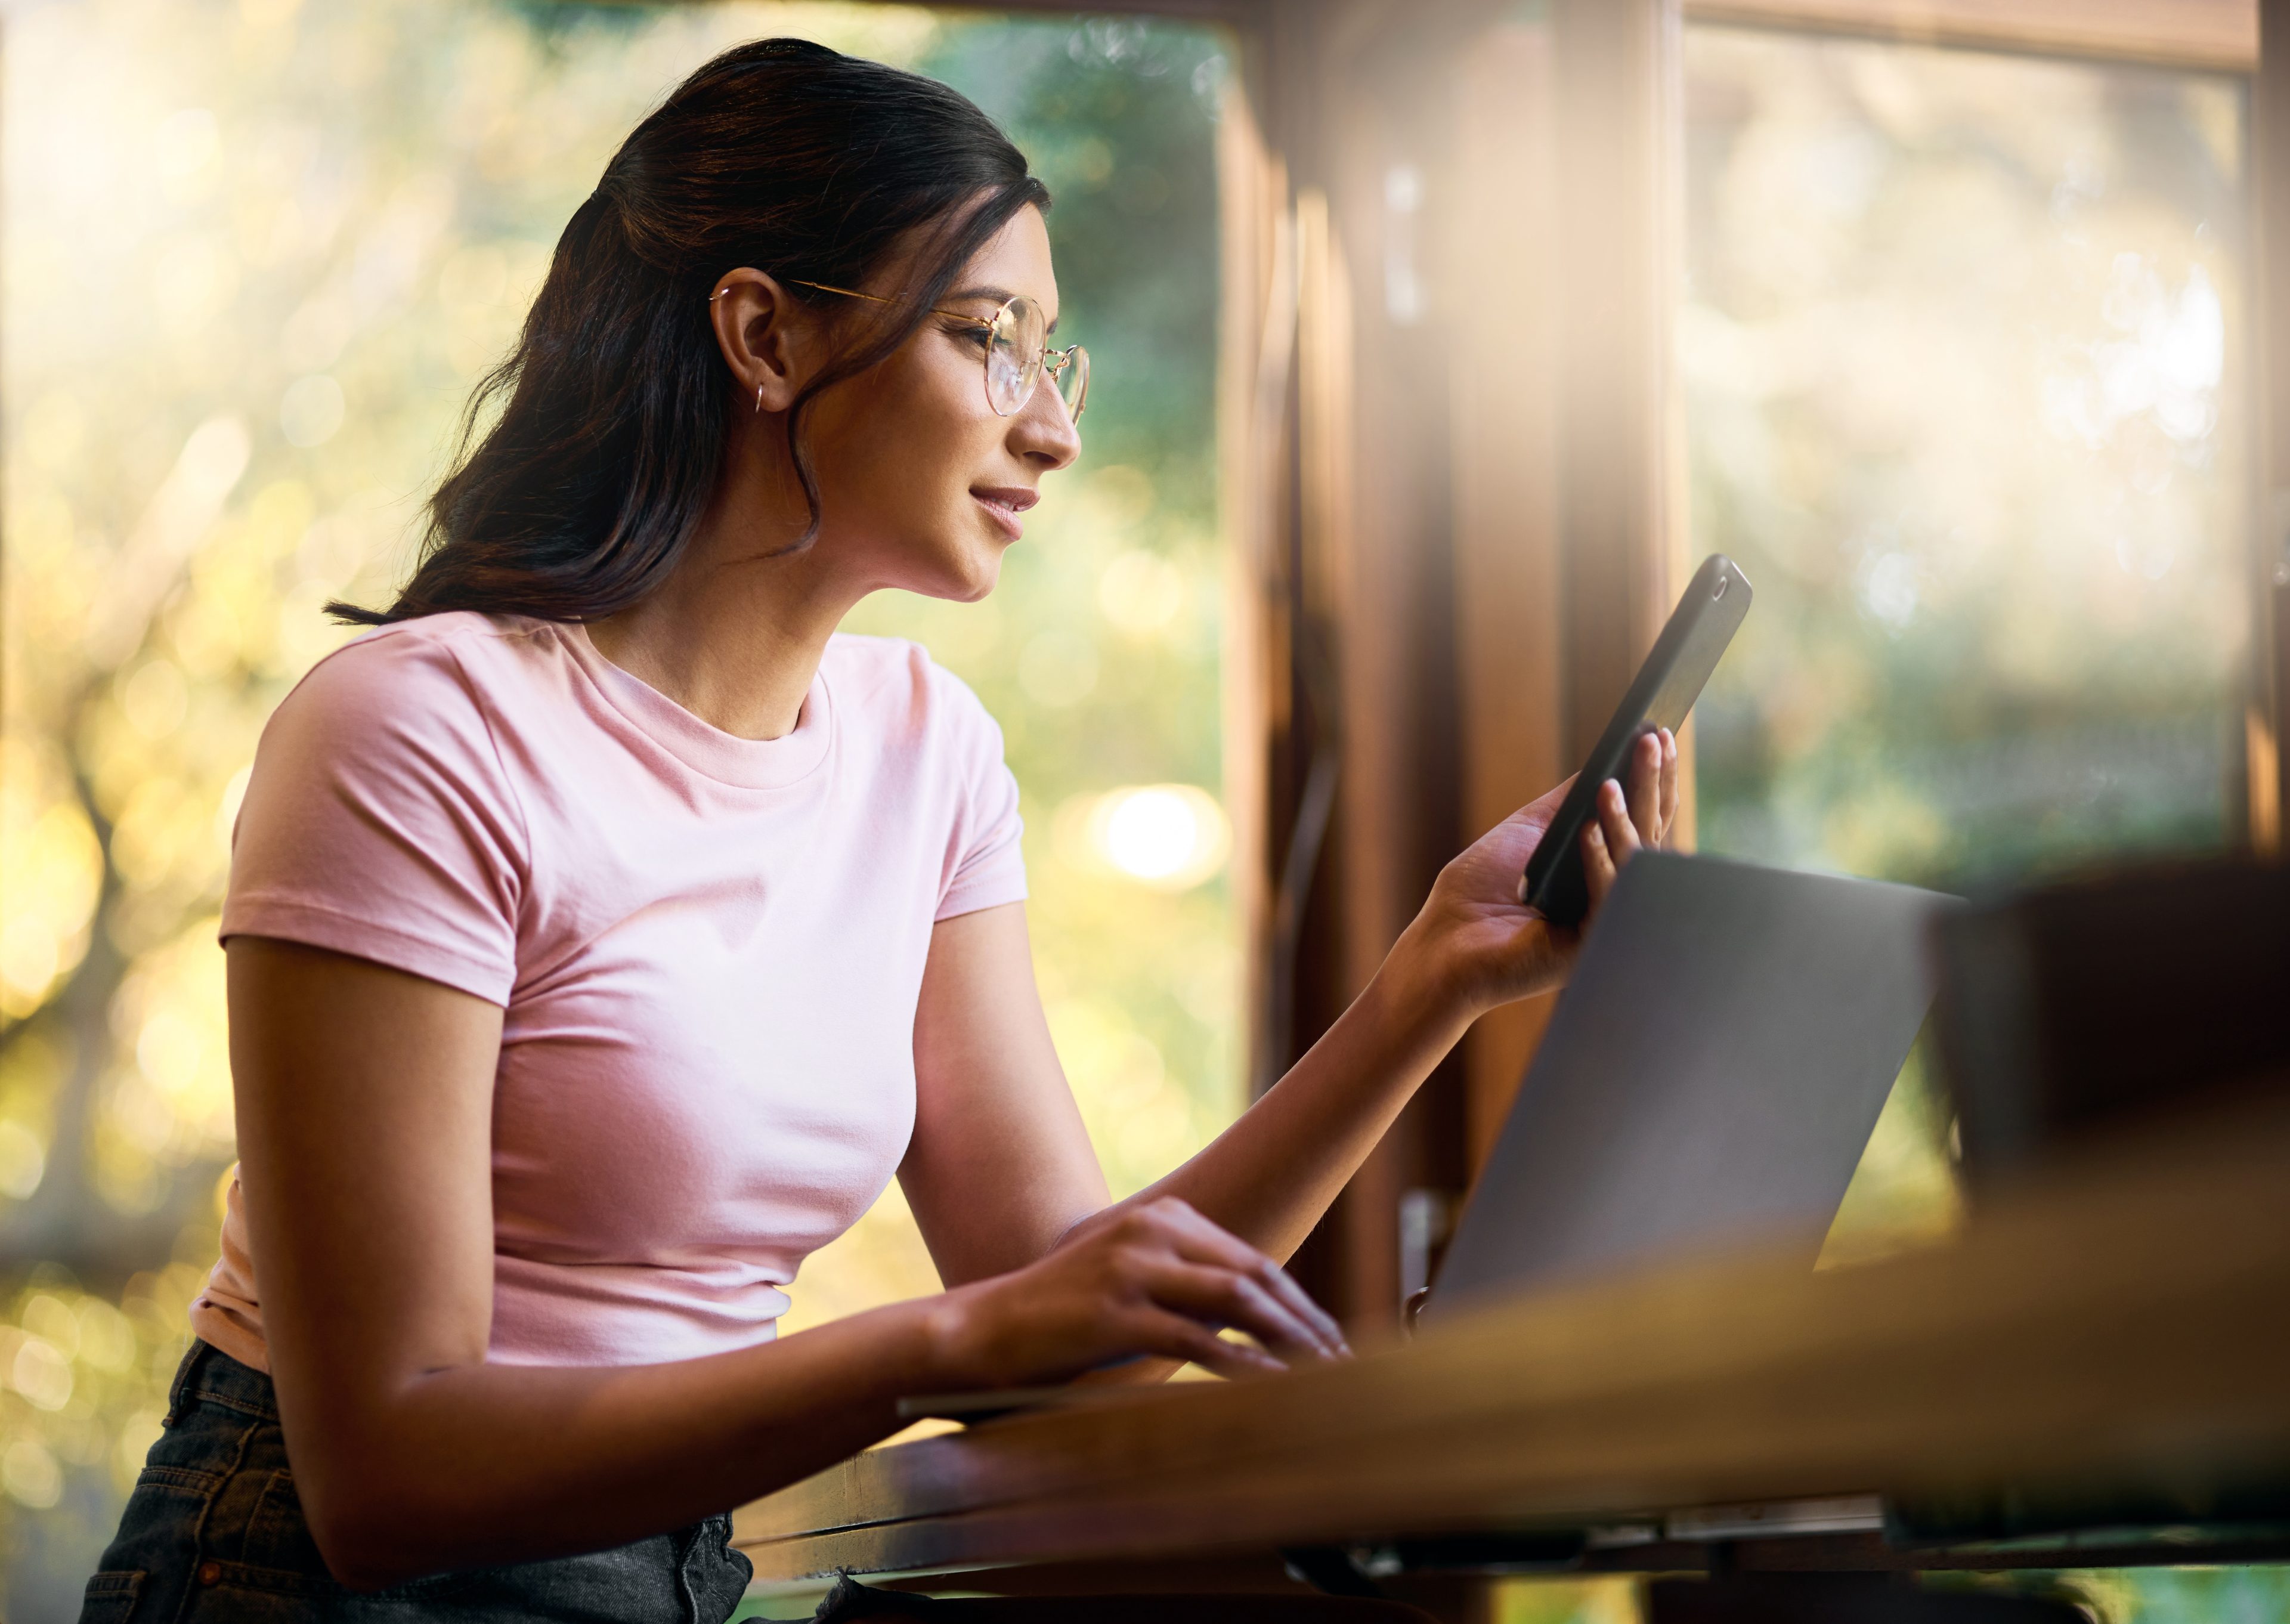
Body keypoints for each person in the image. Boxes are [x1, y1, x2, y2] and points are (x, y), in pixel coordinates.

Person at [78, 37, 1675, 1624]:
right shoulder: (420, 731)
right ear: (763, 335)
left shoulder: (926, 754)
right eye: (989, 338)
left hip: (671, 1577)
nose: (1049, 426)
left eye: (1055, 355)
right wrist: (935, 1344)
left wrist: (1431, 982)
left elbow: (1068, 1315)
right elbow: (388, 1473)